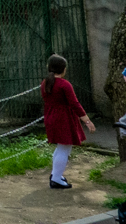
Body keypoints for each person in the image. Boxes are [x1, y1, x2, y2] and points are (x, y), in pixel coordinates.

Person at [41, 54, 95, 189]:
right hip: (64, 119)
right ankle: (56, 179)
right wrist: (87, 121)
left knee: (60, 148)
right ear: (64, 69)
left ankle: (55, 174)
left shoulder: (45, 83)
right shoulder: (65, 84)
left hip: (50, 116)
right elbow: (74, 104)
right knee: (64, 149)